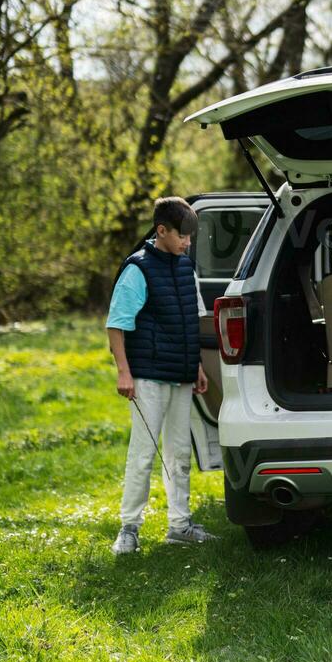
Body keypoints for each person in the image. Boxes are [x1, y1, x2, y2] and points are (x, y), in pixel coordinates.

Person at [106, 197, 217, 555]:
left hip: (182, 374)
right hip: (148, 377)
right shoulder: (137, 269)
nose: (187, 242)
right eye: (182, 236)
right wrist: (124, 373)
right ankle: (129, 528)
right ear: (161, 231)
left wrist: (197, 366)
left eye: (190, 236)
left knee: (180, 453)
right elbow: (116, 325)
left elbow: (191, 321)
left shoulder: (186, 269)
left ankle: (180, 525)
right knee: (143, 454)